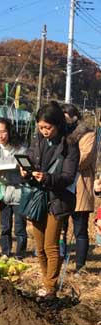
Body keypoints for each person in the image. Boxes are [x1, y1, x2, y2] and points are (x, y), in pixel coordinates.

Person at [22, 101, 79, 298]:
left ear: (57, 124)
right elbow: (30, 158)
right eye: (41, 127)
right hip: (38, 197)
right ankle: (46, 284)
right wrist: (25, 171)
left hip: (58, 199)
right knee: (39, 247)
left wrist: (47, 178)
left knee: (51, 245)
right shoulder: (37, 140)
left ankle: (50, 288)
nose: (44, 131)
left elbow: (68, 176)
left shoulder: (69, 145)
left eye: (48, 127)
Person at [60, 103, 97, 274]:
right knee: (61, 227)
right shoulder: (60, 134)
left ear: (75, 116)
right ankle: (59, 261)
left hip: (80, 185)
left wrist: (63, 162)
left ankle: (80, 267)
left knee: (80, 228)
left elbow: (83, 159)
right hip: (62, 185)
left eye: (66, 117)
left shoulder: (88, 134)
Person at [0, 118, 28, 259]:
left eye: (3, 132)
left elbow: (26, 167)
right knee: (5, 225)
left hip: (19, 190)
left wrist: (22, 171)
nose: (0, 136)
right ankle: (5, 252)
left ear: (9, 131)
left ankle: (20, 254)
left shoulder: (21, 148)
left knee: (20, 226)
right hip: (3, 191)